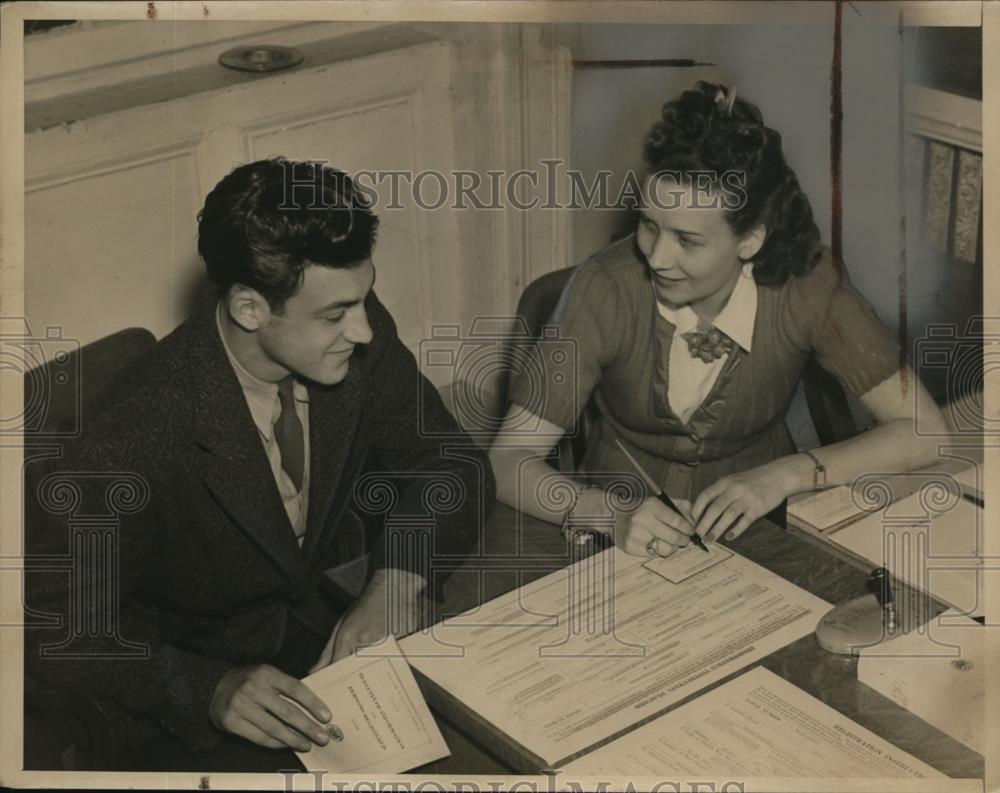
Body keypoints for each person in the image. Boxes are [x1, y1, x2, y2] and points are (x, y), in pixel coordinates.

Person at [24, 158, 494, 771]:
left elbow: (451, 463)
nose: (365, 330)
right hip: (189, 684)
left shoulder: (350, 327)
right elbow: (53, 625)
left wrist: (395, 581)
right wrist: (206, 688)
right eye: (335, 314)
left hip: (316, 625)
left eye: (362, 299)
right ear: (249, 309)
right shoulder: (130, 434)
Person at [489, 81, 947, 558]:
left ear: (750, 241)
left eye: (687, 240)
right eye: (649, 225)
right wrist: (604, 511)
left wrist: (790, 473)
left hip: (765, 526)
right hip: (619, 531)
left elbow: (925, 431)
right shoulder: (602, 288)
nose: (657, 258)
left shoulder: (808, 286)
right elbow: (505, 460)